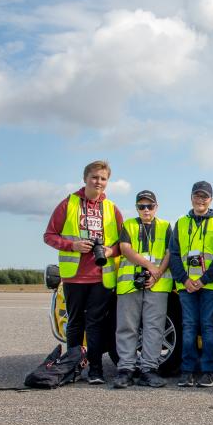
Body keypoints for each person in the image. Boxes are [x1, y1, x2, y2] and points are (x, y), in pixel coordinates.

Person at [44, 160, 123, 384]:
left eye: (103, 178)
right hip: (74, 275)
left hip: (101, 276)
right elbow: (49, 235)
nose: (98, 182)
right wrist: (73, 246)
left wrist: (110, 251)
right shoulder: (68, 204)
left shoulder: (111, 208)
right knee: (75, 324)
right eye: (95, 177)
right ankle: (72, 368)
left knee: (96, 324)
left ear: (108, 181)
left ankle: (95, 370)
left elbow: (123, 244)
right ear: (85, 178)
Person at [169, 181, 213, 388]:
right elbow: (174, 255)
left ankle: (209, 372)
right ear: (191, 197)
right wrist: (185, 279)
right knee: (189, 327)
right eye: (197, 195)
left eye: (205, 196)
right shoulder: (181, 223)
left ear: (211, 199)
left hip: (210, 285)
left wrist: (203, 280)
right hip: (186, 285)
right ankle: (187, 372)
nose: (200, 200)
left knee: (208, 326)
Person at [113, 190, 172, 389]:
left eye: (150, 206)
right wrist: (149, 266)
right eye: (141, 206)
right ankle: (126, 370)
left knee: (154, 329)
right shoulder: (128, 225)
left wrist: (157, 273)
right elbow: (125, 249)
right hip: (130, 284)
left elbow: (169, 252)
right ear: (137, 207)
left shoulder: (165, 226)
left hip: (157, 284)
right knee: (127, 328)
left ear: (157, 206)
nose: (146, 210)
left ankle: (149, 369)